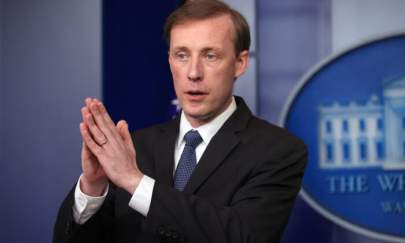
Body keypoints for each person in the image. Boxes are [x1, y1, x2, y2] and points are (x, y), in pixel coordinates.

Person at [54, 1, 307, 242]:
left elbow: (243, 236)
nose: (193, 73)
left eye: (210, 56)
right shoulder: (134, 148)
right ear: (169, 61)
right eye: (182, 55)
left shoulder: (279, 151)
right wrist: (93, 188)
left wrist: (135, 181)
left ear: (240, 63)